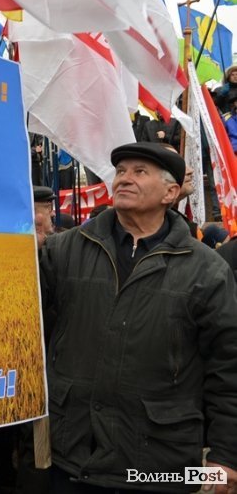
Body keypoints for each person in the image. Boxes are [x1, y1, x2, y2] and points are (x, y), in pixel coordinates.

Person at [40, 141, 237, 493]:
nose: (124, 179)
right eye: (120, 171)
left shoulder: (207, 269)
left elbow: (228, 367)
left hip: (159, 465)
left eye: (139, 172)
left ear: (170, 193)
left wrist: (226, 456)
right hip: (73, 457)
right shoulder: (63, 249)